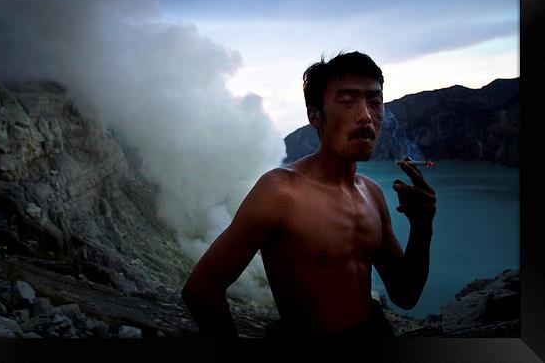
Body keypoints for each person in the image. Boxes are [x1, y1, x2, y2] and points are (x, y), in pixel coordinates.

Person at [181, 51, 436, 339]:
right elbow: (201, 289)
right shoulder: (281, 192)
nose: (366, 116)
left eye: (375, 102)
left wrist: (422, 226)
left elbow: (405, 294)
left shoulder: (373, 194)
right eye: (347, 101)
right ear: (315, 116)